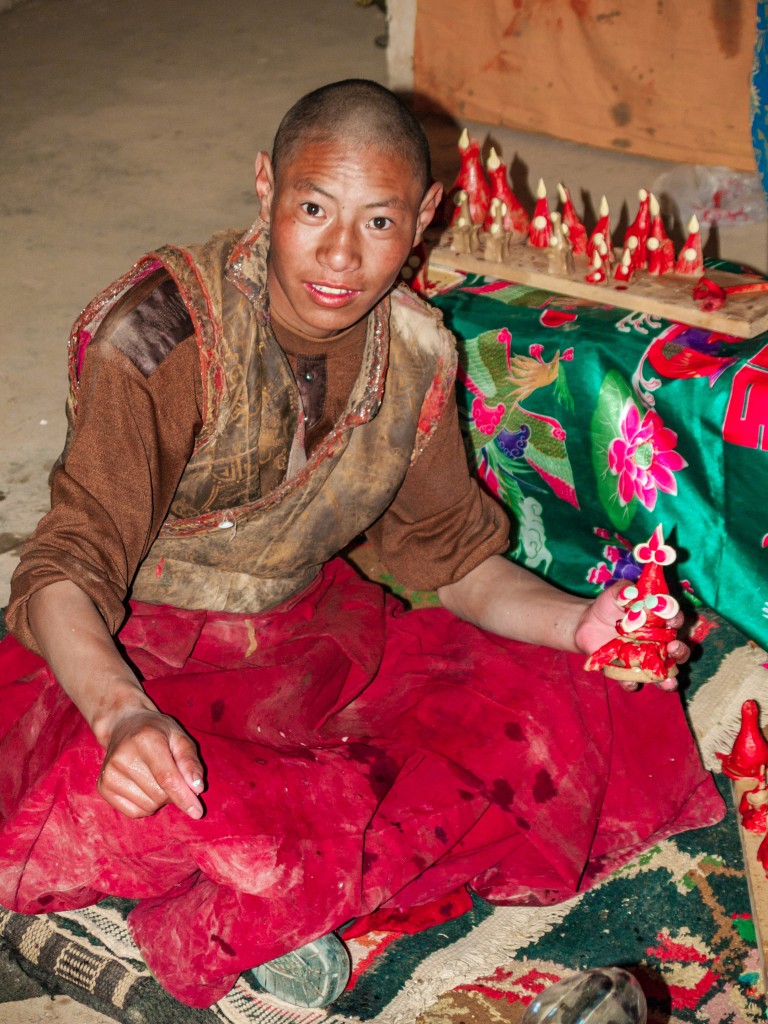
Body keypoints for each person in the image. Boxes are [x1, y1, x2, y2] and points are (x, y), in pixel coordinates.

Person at [0, 80, 723, 1010]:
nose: (340, 255)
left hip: (313, 645)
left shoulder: (417, 349)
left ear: (425, 217)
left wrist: (582, 622)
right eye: (312, 209)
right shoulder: (160, 339)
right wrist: (120, 719)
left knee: (574, 713)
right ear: (263, 186)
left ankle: (176, 934)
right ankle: (175, 933)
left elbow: (453, 561)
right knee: (236, 813)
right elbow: (63, 568)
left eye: (379, 221)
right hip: (140, 655)